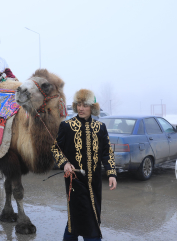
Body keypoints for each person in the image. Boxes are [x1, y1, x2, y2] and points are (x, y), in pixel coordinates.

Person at [52, 89, 117, 241]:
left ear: (92, 107)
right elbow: (55, 148)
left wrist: (111, 173)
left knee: (80, 218)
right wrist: (64, 163)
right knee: (86, 217)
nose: (81, 108)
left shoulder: (100, 127)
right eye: (79, 104)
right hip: (74, 180)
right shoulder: (66, 126)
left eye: (85, 105)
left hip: (94, 182)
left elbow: (107, 151)